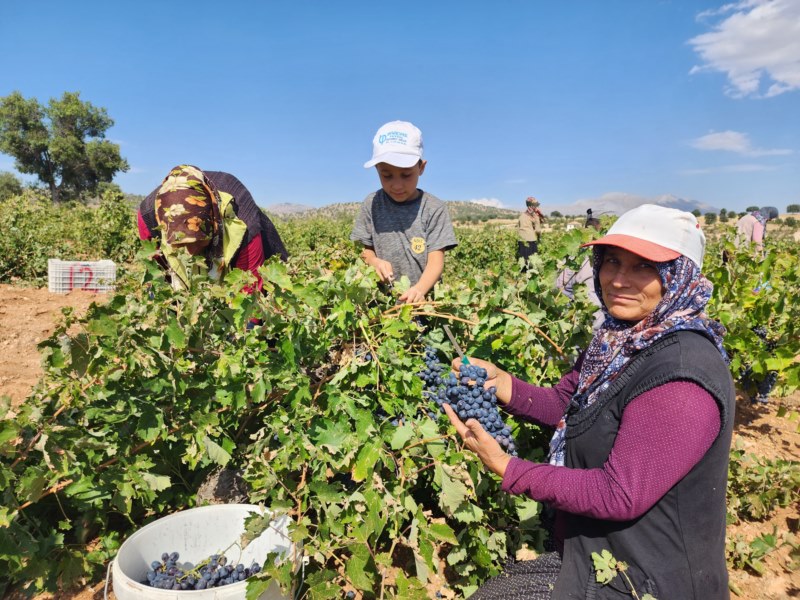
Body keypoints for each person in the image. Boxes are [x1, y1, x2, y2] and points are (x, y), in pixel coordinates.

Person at [443, 204, 734, 599]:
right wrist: (503, 382)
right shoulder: (620, 340)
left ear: (678, 276)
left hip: (645, 582)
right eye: (611, 261)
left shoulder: (682, 374)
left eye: (643, 267)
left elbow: (619, 493)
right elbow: (569, 405)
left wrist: (507, 467)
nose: (617, 279)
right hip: (599, 557)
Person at [350, 121, 457, 304]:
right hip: (382, 303)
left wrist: (419, 290)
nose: (397, 185)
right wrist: (374, 262)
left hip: (423, 302)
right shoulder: (372, 204)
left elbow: (436, 261)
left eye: (406, 175)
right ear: (377, 170)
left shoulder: (433, 208)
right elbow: (365, 250)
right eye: (387, 175)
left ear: (421, 168)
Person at [137, 165, 288, 291]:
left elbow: (250, 287)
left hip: (253, 256)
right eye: (181, 244)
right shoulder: (149, 217)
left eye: (197, 242)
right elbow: (158, 273)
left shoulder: (243, 215)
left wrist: (250, 324)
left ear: (212, 222)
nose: (190, 252)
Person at [555, 211, 603, 330]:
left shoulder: (574, 253)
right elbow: (592, 303)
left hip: (566, 309)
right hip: (588, 324)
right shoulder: (591, 258)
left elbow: (559, 285)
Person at [517, 196, 545, 266]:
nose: (537, 207)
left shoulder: (521, 215)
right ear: (532, 206)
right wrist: (539, 238)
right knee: (532, 263)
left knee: (523, 262)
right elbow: (538, 230)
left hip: (521, 240)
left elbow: (518, 228)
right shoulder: (534, 216)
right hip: (531, 240)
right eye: (536, 205)